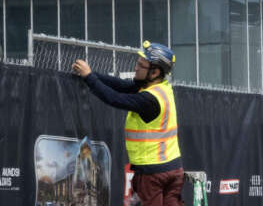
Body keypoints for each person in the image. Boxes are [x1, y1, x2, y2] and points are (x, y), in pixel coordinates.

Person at [72, 41, 183, 206]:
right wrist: (90, 74)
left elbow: (114, 98)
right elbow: (121, 85)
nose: (136, 68)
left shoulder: (149, 99)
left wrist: (89, 77)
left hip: (152, 174)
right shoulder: (161, 88)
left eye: (141, 65)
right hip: (173, 170)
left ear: (154, 72)